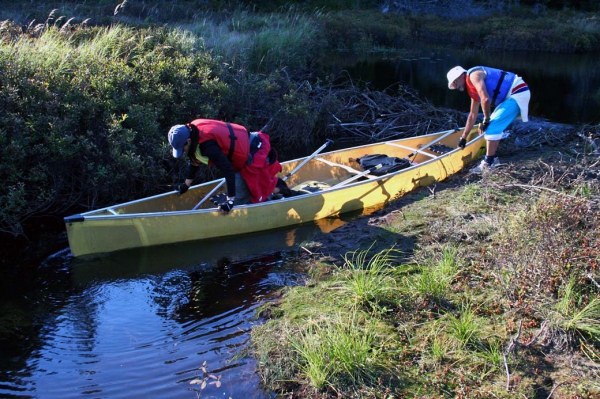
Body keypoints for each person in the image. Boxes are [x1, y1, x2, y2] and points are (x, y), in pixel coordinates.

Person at [168, 119, 286, 213]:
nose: (182, 151)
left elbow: (228, 171)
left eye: (182, 148)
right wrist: (186, 185)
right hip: (245, 148)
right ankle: (273, 186)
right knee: (242, 189)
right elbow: (194, 162)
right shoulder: (192, 131)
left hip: (253, 152)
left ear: (188, 141)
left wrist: (230, 201)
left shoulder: (207, 147)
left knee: (242, 201)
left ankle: (280, 190)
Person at [446, 65, 531, 173]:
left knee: (491, 128)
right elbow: (472, 115)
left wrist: (486, 119)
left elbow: (485, 99)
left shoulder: (473, 76)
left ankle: (488, 164)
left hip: (517, 93)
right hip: (511, 96)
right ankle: (494, 160)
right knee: (486, 128)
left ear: (461, 75)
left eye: (455, 82)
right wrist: (463, 137)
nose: (457, 86)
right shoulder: (473, 89)